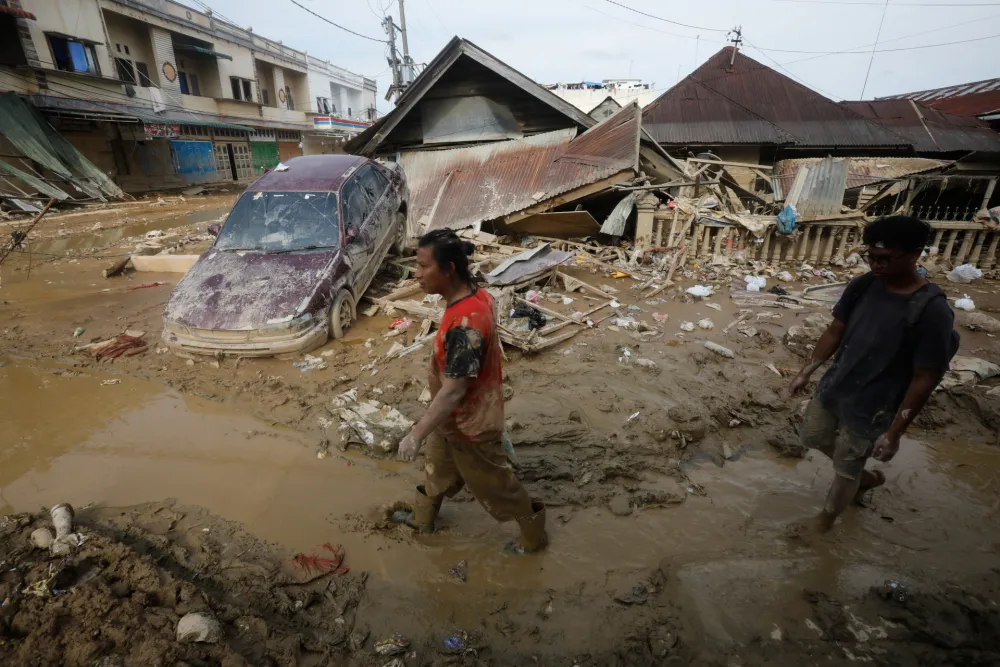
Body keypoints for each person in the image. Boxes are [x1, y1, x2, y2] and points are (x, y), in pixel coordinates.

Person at [788, 215, 958, 532]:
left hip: (875, 404)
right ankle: (867, 480)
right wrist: (806, 372)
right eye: (872, 258)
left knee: (846, 468)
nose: (877, 266)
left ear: (915, 255)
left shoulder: (931, 310)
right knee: (812, 436)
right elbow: (835, 330)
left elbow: (926, 376)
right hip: (835, 386)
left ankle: (825, 523)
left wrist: (894, 433)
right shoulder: (864, 285)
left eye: (886, 259)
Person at [394, 230, 547, 552]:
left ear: (448, 269)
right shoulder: (477, 297)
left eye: (424, 267)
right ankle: (423, 519)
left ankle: (534, 540)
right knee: (436, 469)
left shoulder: (465, 324)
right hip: (448, 421)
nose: (417, 274)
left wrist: (415, 433)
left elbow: (453, 391)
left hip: (470, 423)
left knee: (497, 486)